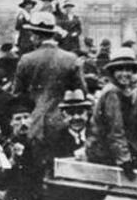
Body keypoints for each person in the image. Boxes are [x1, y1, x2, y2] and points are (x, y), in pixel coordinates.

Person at [12, 12, 85, 164]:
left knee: (36, 168)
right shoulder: (71, 59)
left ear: (37, 36)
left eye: (32, 35)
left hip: (34, 125)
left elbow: (18, 94)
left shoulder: (26, 60)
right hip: (64, 124)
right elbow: (81, 92)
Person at [86, 48, 137, 174]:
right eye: (120, 70)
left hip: (110, 147)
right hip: (102, 150)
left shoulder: (123, 90)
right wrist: (125, 160)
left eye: (128, 70)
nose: (125, 74)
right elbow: (115, 129)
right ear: (112, 72)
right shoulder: (112, 92)